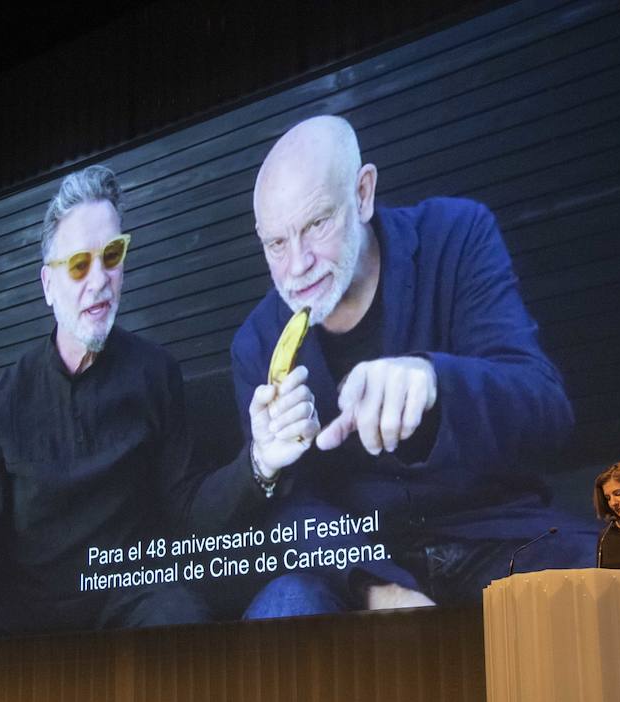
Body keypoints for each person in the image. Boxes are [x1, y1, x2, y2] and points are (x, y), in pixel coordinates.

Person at [230, 115, 597, 616]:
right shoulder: (255, 341)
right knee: (282, 611)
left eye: (317, 224)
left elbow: (548, 412)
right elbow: (290, 509)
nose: (297, 266)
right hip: (351, 561)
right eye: (277, 243)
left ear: (363, 194)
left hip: (493, 530)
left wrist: (435, 382)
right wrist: (378, 587)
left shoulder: (457, 235)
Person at [0, 165, 319, 642]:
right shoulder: (4, 401)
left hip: (135, 597)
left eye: (112, 255)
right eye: (79, 264)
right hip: (36, 623)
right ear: (47, 285)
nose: (99, 280)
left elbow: (189, 511)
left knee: (184, 620)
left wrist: (259, 462)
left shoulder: (154, 373)